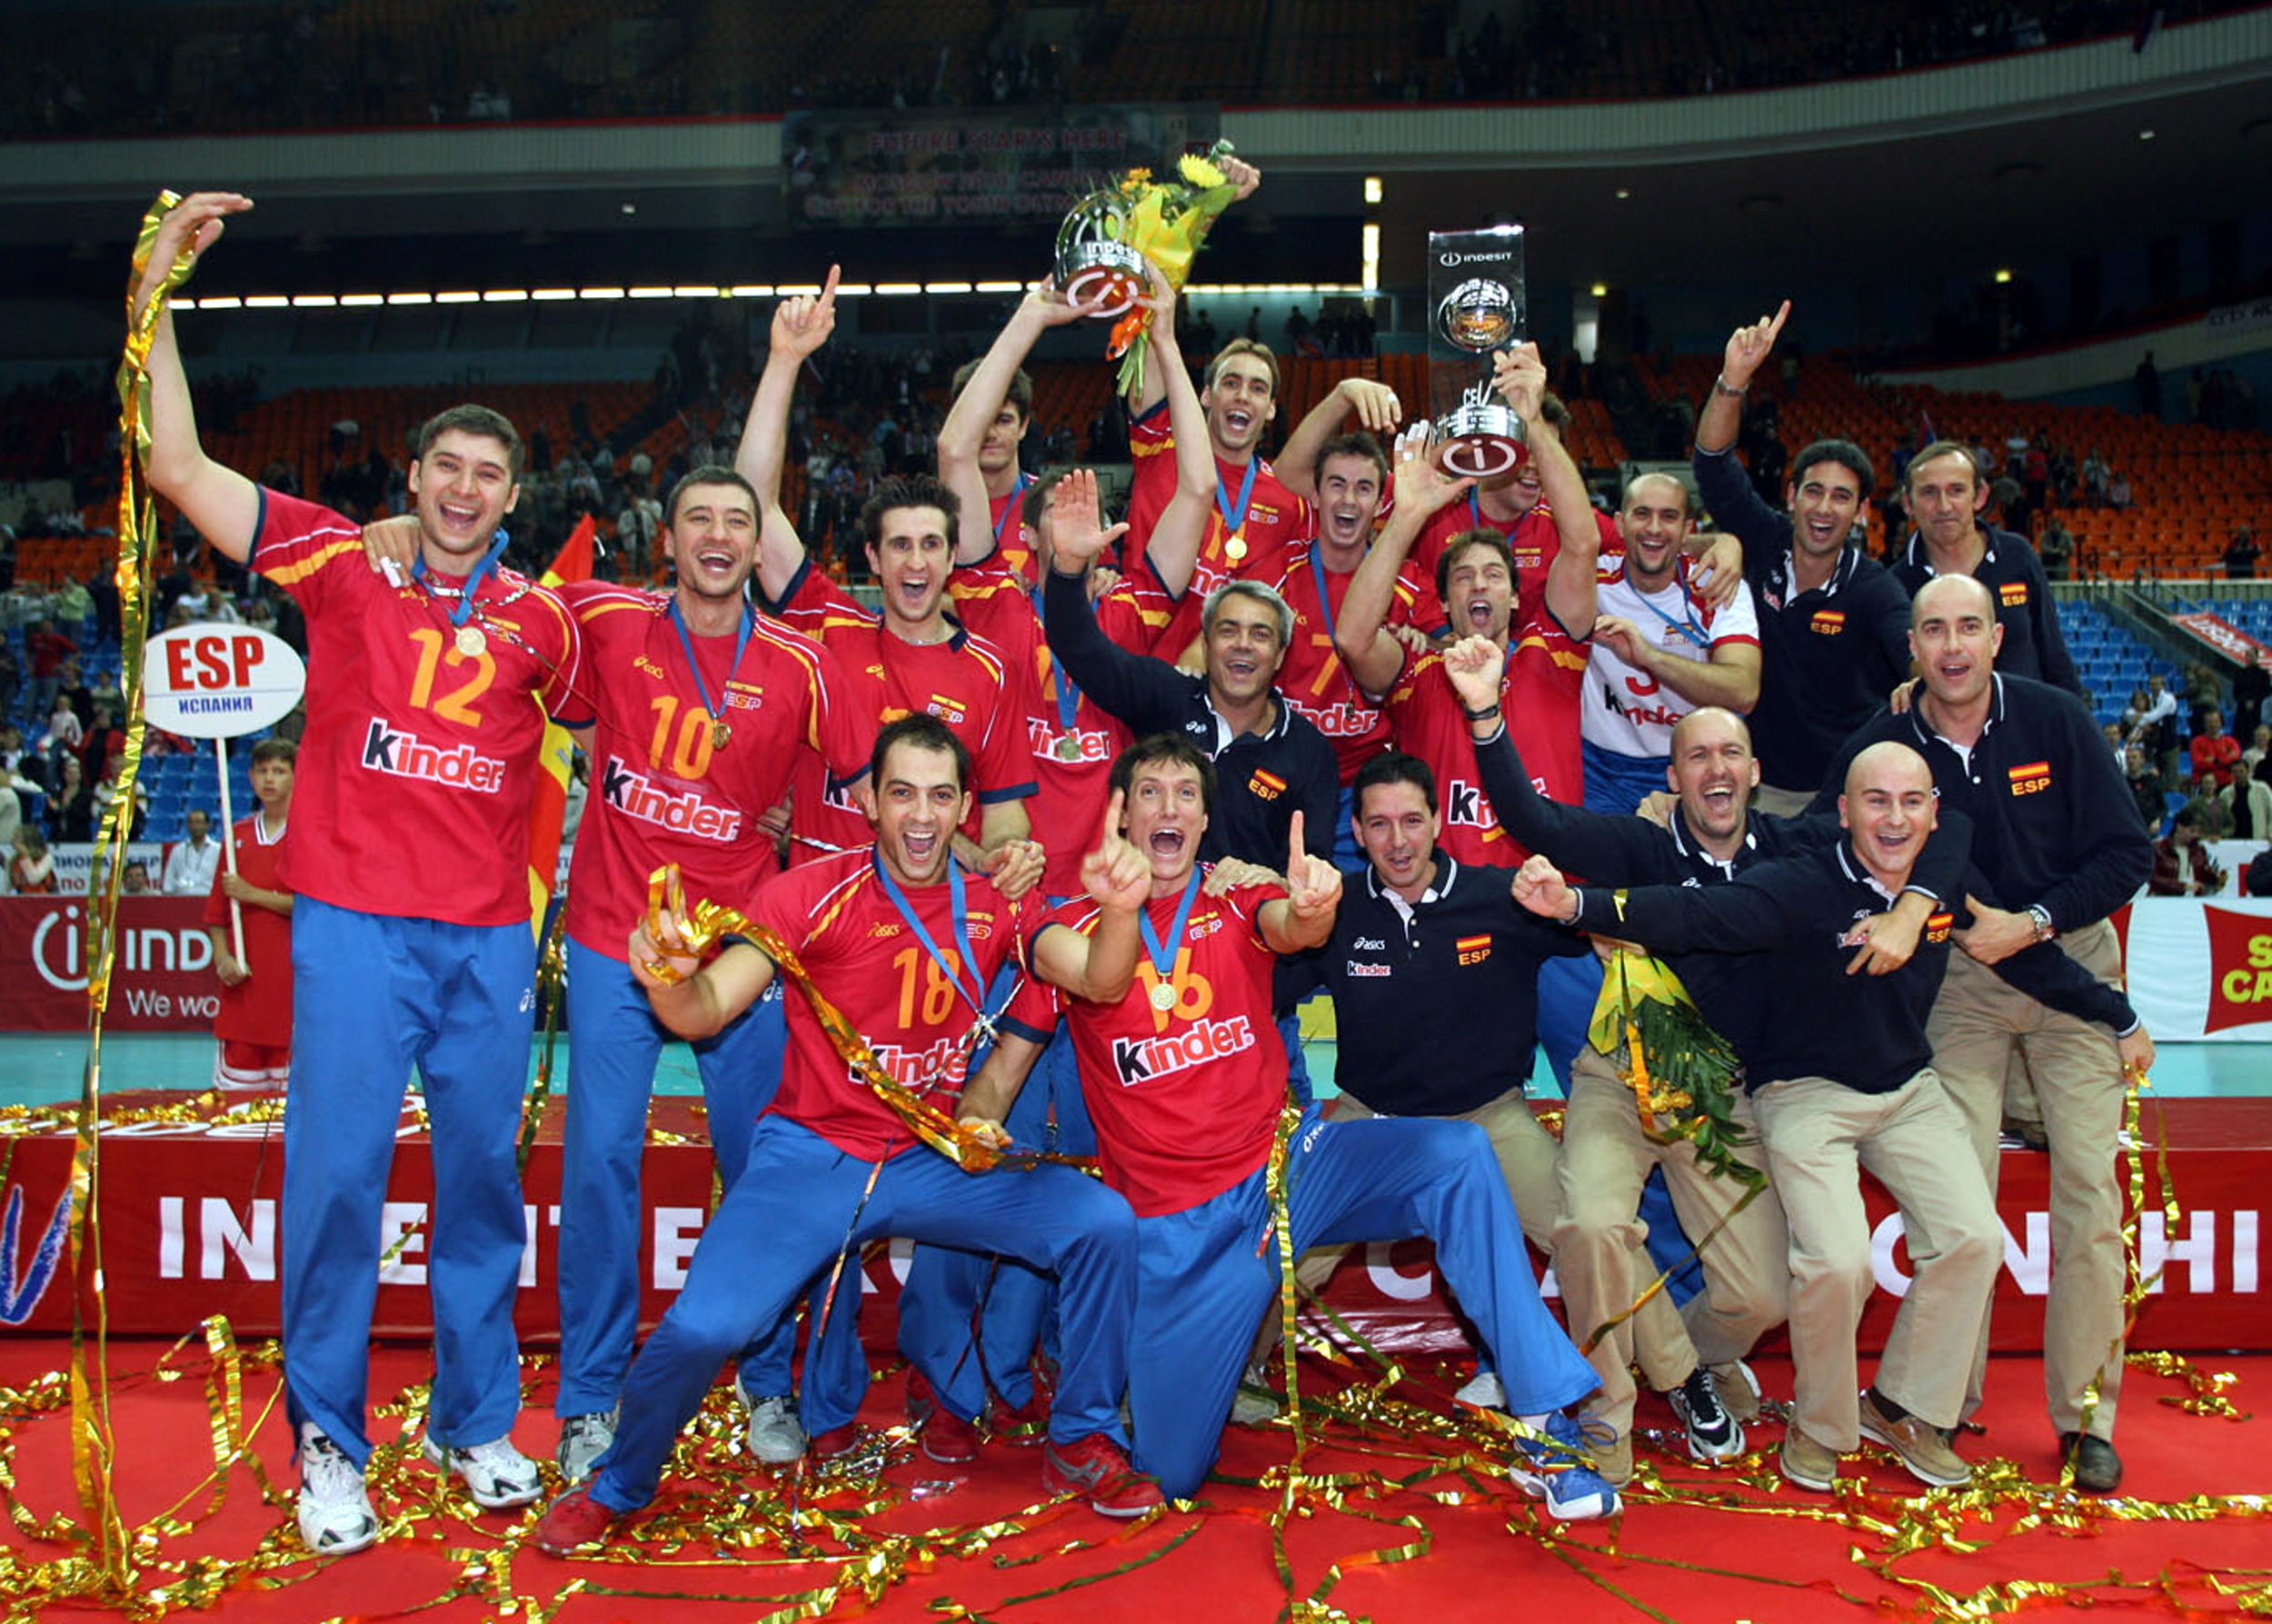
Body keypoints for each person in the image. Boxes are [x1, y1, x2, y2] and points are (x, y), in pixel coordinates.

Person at [135, 192, 588, 1555]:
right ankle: (330, 1439)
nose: (464, 489)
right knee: (335, 1187)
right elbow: (175, 464)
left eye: (488, 474)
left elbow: (638, 714)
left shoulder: (547, 623)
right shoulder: (340, 556)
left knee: (482, 1189)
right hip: (352, 931)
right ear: (415, 477)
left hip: (487, 941)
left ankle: (474, 1418)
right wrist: (155, 291)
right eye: (446, 465)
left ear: (512, 497)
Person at [531, 717, 1159, 1557]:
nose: (922, 816)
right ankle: (618, 1483)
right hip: (813, 1153)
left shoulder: (1000, 901)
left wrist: (1119, 910)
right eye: (902, 794)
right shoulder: (809, 892)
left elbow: (1100, 980)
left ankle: (1082, 1434)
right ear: (869, 803)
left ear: (966, 808)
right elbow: (708, 1008)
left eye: (940, 796)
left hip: (929, 1155)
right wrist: (669, 984)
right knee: (703, 1329)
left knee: (1102, 1223)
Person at [962, 735, 1617, 1518]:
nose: (1169, 807)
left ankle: (1543, 1416)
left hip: (1287, 1170)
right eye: (1150, 793)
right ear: (1122, 815)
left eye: (1186, 794)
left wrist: (1313, 906)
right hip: (1178, 1228)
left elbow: (1291, 928)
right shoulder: (1065, 925)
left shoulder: (1234, 897)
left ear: (1205, 820)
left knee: (1457, 1153)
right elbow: (1036, 1042)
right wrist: (974, 1127)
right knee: (1171, 1473)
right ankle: (1140, 1402)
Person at [1515, 741, 2149, 1492]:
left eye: (1912, 802)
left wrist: (2116, 1014)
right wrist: (1578, 906)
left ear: (1933, 812)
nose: (1894, 819)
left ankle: (1903, 1406)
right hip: (1803, 1091)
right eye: (1876, 802)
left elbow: (2016, 950)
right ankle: (1816, 1428)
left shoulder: (1942, 881)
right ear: (1844, 812)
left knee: (1975, 1239)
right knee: (1838, 1263)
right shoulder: (1802, 880)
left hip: (1908, 1090)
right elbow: (1696, 911)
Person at [544, 467, 872, 1480]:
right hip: (615, 938)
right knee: (599, 1162)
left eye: (738, 520)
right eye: (699, 519)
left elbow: (870, 785)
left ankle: (765, 1379)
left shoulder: (802, 662)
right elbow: (499, 611)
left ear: (755, 542)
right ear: (670, 537)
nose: (719, 536)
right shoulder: (605, 619)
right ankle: (590, 1397)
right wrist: (396, 538)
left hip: (741, 952)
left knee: (761, 1166)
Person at [1814, 575, 2155, 1492]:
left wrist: (2035, 921)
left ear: (1998, 638)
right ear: (1912, 646)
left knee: (2090, 1195)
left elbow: (2129, 852)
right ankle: (1933, 1401)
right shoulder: (1887, 743)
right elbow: (1818, 836)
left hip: (2070, 965)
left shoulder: (2054, 719)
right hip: (1959, 980)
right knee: (1958, 1191)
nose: (1953, 645)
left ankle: (2086, 1417)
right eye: (1934, 629)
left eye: (1970, 626)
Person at [1691, 301, 1915, 812]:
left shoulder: (1874, 588)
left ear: (1861, 512)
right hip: (1757, 790)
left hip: (1841, 798)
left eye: (1842, 497)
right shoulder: (1762, 537)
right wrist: (1733, 381)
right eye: (1814, 491)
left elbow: (1909, 649)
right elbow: (1712, 463)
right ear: (1792, 496)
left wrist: (1921, 675)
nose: (1824, 508)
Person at [1042, 497, 1337, 870]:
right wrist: (1069, 568)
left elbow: (1312, 869)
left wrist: (1268, 883)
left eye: (1260, 635)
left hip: (1252, 906)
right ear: (1206, 645)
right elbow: (1078, 647)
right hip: (1148, 900)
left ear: (1280, 655)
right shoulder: (1165, 695)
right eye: (1228, 630)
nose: (1243, 644)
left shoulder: (1310, 751)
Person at [1580, 471, 1762, 814]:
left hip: (1692, 764)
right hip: (1600, 770)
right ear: (1619, 524)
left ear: (1687, 529)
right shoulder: (1589, 579)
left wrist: (1649, 657)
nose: (1654, 528)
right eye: (1642, 514)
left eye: (1668, 516)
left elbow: (1743, 690)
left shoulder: (1715, 585)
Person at [1889, 442, 2079, 693]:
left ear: (1979, 496)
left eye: (1956, 490)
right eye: (1929, 492)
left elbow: (2053, 653)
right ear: (1907, 503)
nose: (1944, 506)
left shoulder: (2018, 556)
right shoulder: (1894, 586)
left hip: (2028, 717)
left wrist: (2074, 714)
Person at [204, 738, 295, 1090]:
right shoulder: (236, 835)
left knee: (294, 1110)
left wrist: (252, 894)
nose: (269, 779)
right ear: (251, 777)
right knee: (235, 1107)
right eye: (262, 771)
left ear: (296, 777)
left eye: (279, 771)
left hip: (292, 994)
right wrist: (223, 959)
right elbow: (216, 912)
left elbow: (313, 907)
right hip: (242, 996)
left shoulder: (309, 835)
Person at [2148, 803, 2225, 896]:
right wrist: (2182, 886)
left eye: (2198, 831)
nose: (2196, 835)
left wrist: (2216, 879)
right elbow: (2153, 878)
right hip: (2163, 899)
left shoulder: (2199, 850)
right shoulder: (2158, 848)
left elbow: (2205, 877)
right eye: (2192, 831)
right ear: (2179, 827)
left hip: (2191, 900)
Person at [162, 804, 222, 896]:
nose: (194, 826)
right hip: (181, 898)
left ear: (207, 825)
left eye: (198, 822)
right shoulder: (178, 850)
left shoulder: (218, 850)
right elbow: (169, 879)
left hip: (208, 898)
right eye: (191, 822)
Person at [9, 824, 55, 894]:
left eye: (17, 838)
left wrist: (25, 855)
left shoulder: (46, 858)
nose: (13, 841)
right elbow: (8, 888)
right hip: (20, 899)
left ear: (28, 841)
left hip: (43, 898)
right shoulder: (14, 860)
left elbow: (34, 879)